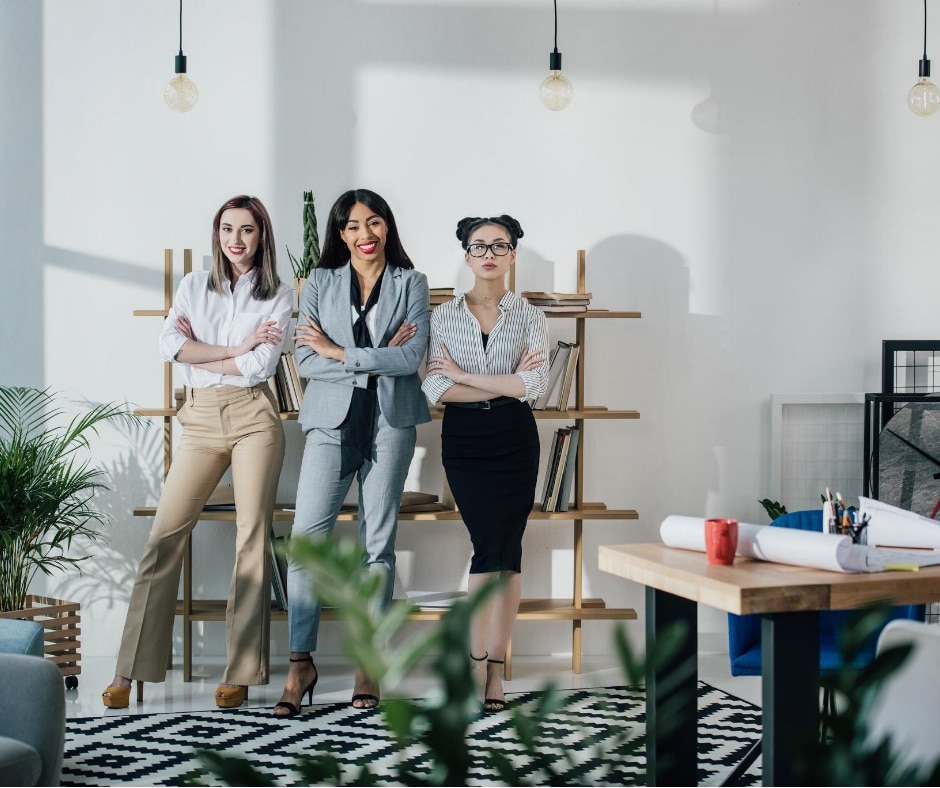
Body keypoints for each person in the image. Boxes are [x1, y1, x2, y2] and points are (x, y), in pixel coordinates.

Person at [102, 195, 292, 710]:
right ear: (217, 235)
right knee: (163, 537)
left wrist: (207, 354)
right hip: (201, 419)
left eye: (247, 230)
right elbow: (169, 345)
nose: (236, 239)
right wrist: (236, 347)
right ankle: (128, 669)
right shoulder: (192, 285)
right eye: (227, 229)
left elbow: (261, 367)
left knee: (251, 538)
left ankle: (240, 672)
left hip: (255, 417)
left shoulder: (279, 293)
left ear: (261, 237)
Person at [273, 188, 430, 718]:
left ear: (387, 226)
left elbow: (411, 359)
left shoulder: (413, 283)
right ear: (339, 234)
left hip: (391, 423)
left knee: (377, 544)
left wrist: (337, 350)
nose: (365, 235)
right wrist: (372, 358)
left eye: (374, 222)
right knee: (307, 542)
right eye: (352, 226)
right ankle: (300, 663)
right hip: (330, 422)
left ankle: (369, 663)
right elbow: (305, 363)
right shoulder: (319, 283)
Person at [422, 215, 549, 712]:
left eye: (500, 245)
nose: (489, 253)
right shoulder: (444, 315)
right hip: (466, 441)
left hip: (516, 438)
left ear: (513, 253)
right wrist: (499, 381)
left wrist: (466, 375)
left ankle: (496, 669)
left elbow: (533, 386)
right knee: (485, 547)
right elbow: (437, 387)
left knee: (508, 548)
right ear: (467, 255)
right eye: (479, 246)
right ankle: (478, 664)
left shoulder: (530, 315)